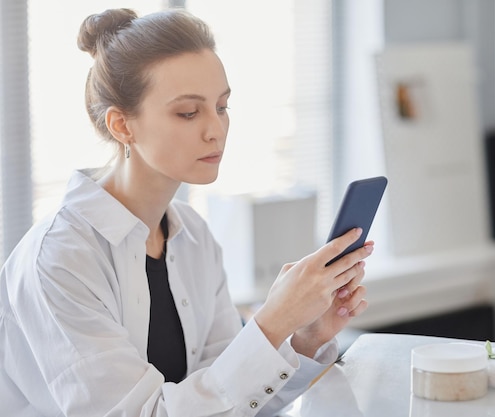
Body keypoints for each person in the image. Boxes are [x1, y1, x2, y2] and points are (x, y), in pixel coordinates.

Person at [0, 8, 373, 417]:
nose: (216, 129)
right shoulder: (59, 259)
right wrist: (273, 321)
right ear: (123, 126)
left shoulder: (192, 235)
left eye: (222, 106)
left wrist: (302, 336)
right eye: (189, 113)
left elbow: (230, 401)